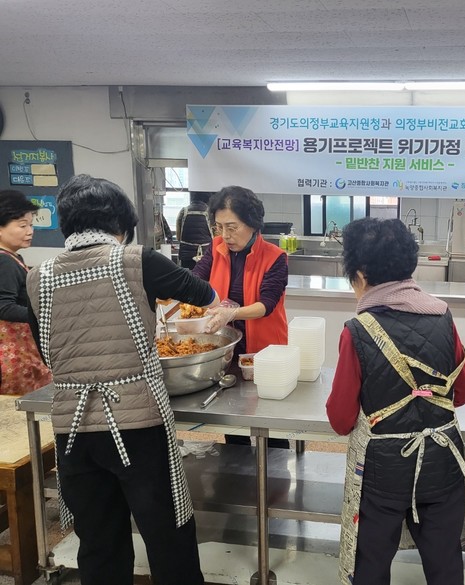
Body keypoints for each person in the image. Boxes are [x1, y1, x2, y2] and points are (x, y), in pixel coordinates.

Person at [26, 174, 221, 585]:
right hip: (137, 426)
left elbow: (48, 351)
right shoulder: (136, 260)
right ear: (120, 223)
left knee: (99, 543)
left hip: (73, 430)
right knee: (168, 536)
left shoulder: (38, 275)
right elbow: (205, 295)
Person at [326, 218, 465, 585]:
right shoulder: (442, 315)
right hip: (443, 462)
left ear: (360, 273)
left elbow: (341, 419)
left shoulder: (358, 330)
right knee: (445, 566)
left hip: (384, 471)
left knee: (371, 564)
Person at [192, 185, 288, 356]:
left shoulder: (274, 257)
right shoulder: (216, 247)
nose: (225, 235)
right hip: (223, 346)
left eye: (231, 228)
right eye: (219, 227)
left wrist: (232, 314)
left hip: (264, 351)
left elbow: (266, 305)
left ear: (252, 224)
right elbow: (196, 279)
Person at [0, 189, 52, 394]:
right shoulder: (4, 262)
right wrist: (45, 313)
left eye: (31, 225)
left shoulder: (13, 258)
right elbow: (4, 307)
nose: (30, 231)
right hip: (13, 355)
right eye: (23, 225)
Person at [176, 190, 213, 269]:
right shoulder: (209, 212)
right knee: (203, 275)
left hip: (186, 255)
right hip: (205, 253)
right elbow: (216, 234)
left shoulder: (184, 211)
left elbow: (178, 235)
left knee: (187, 275)